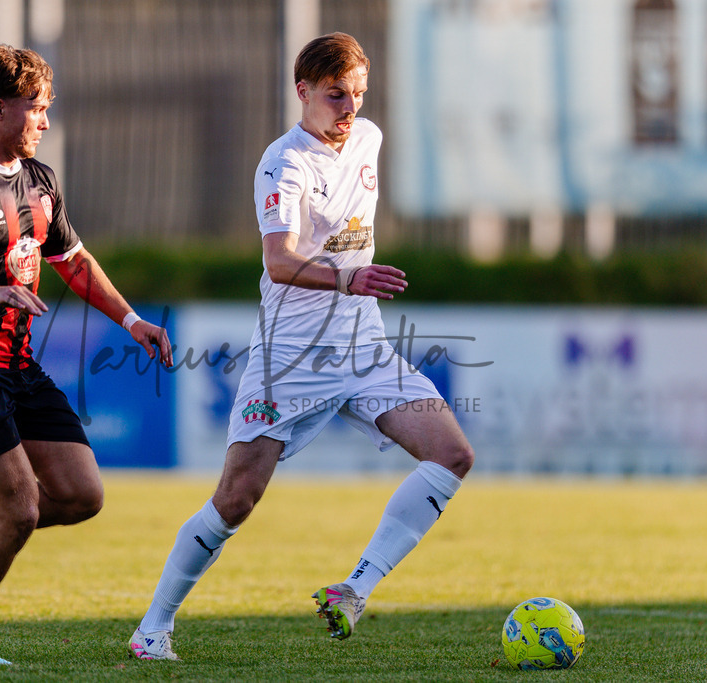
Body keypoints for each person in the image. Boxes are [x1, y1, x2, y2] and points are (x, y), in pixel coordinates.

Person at [128, 32, 474, 661]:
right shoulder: (283, 162)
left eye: (359, 96)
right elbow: (279, 260)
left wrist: (354, 286)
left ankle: (355, 589)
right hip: (290, 358)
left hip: (363, 348)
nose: (349, 109)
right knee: (235, 501)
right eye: (336, 95)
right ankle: (153, 629)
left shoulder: (366, 137)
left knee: (451, 454)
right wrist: (348, 277)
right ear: (304, 91)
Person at [0, 42, 173, 665]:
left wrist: (130, 319)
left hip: (19, 367)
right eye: (38, 108)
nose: (46, 120)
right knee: (19, 508)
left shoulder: (40, 181)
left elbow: (71, 261)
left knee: (80, 496)